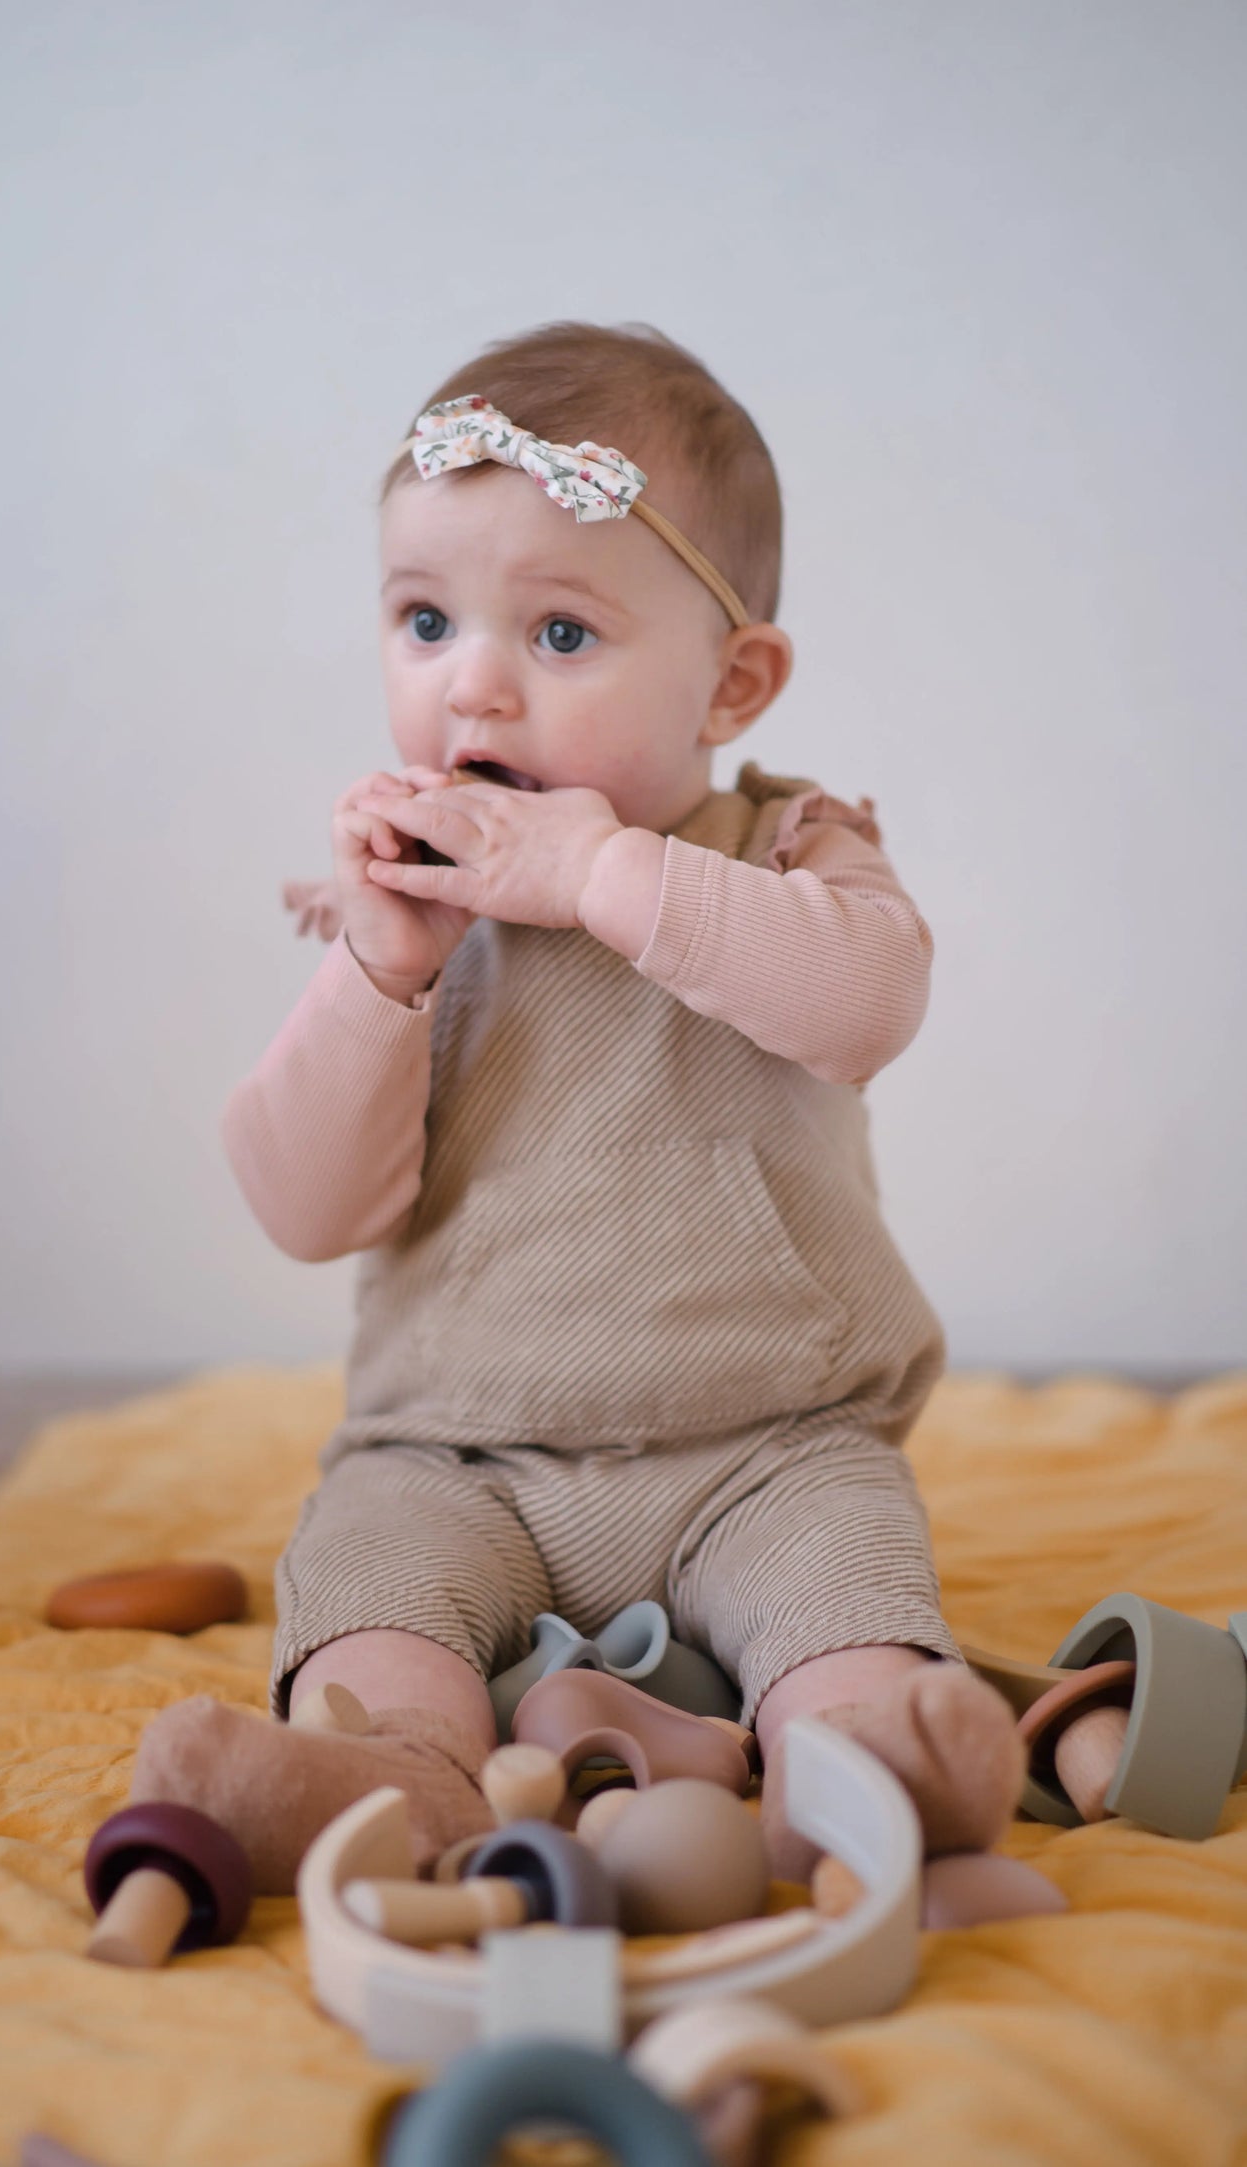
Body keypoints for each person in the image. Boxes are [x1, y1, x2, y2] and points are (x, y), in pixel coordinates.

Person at [134, 321, 1023, 1889]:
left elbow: (867, 1002)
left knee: (847, 1579)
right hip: (456, 1452)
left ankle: (867, 1759)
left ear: (730, 683)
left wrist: (600, 873)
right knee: (370, 1575)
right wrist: (380, 973)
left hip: (771, 1440)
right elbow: (301, 1210)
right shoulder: (409, 906)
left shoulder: (788, 851)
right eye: (423, 620)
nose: (469, 683)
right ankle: (395, 1777)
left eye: (556, 637)